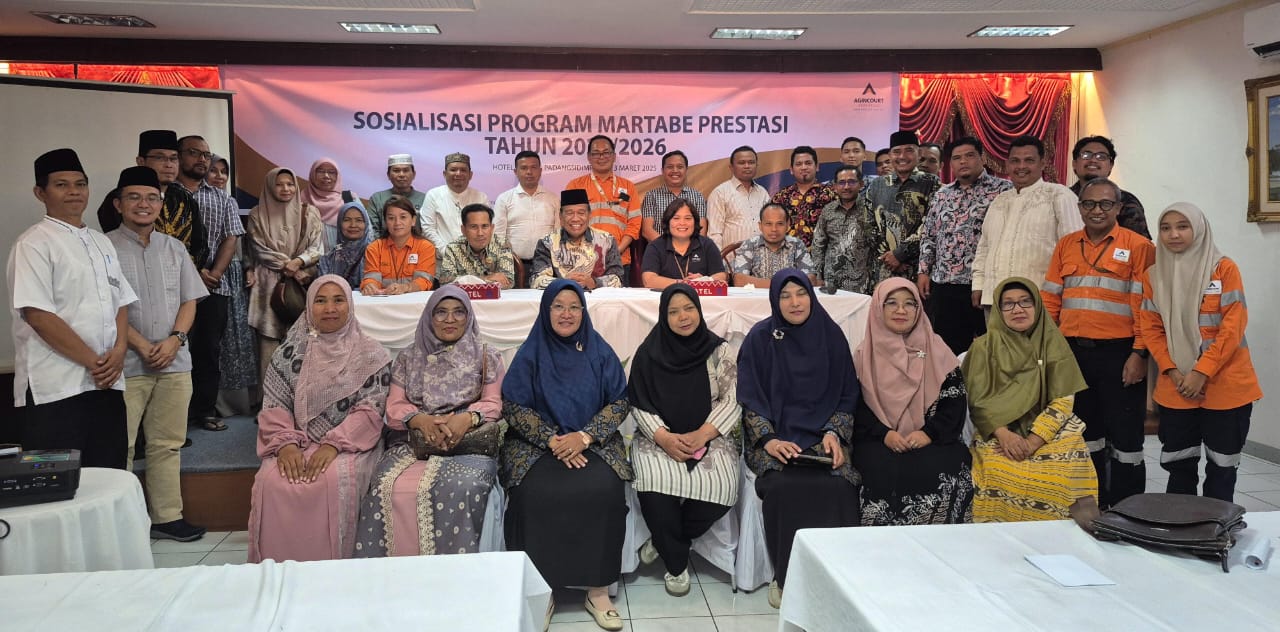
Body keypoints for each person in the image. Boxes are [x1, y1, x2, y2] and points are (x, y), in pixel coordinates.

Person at [500, 279, 632, 630]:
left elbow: (619, 402)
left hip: (592, 443)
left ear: (583, 312)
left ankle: (598, 589)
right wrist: (553, 439)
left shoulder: (598, 351)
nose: (567, 313)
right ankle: (542, 592)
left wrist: (585, 437)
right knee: (534, 494)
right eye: (558, 306)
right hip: (535, 445)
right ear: (546, 311)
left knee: (603, 489)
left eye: (574, 306)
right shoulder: (531, 353)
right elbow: (513, 406)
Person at [738, 269, 860, 608]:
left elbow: (848, 393)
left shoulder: (831, 336)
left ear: (811, 294)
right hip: (777, 442)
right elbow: (749, 397)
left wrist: (835, 433)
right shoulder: (760, 339)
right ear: (775, 300)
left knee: (840, 486)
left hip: (824, 441)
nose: (794, 302)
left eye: (801, 293)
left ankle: (838, 576)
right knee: (784, 487)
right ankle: (786, 577)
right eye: (785, 295)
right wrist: (769, 440)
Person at [248, 276, 391, 562]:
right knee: (273, 479)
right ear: (309, 307)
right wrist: (286, 445)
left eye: (338, 300)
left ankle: (335, 570)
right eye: (320, 301)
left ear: (349, 305)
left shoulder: (371, 354)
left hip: (351, 444)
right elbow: (275, 404)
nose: (330, 308)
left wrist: (333, 444)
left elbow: (371, 410)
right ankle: (279, 571)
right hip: (295, 442)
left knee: (334, 478)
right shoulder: (288, 353)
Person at [9, 148, 136, 469]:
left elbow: (120, 300)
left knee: (110, 473)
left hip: (106, 382)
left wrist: (120, 350)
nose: (74, 192)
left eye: (80, 184)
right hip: (56, 387)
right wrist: (94, 363)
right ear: (41, 193)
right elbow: (38, 315)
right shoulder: (33, 243)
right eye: (61, 185)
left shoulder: (100, 241)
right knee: (60, 487)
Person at [355, 286, 505, 557]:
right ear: (429, 317)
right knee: (385, 486)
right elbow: (394, 405)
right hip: (414, 443)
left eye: (459, 312)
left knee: (468, 486)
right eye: (441, 312)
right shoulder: (408, 357)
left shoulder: (487, 356)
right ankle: (396, 578)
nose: (450, 320)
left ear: (468, 317)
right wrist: (419, 419)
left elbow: (494, 402)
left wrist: (466, 418)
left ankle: (461, 576)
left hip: (467, 443)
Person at [108, 166, 209, 541]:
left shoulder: (175, 247)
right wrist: (139, 343)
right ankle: (122, 524)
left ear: (161, 204)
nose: (143, 204)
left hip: (174, 361)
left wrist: (174, 341)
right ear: (118, 204)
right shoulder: (104, 248)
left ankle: (167, 517)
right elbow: (107, 307)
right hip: (127, 364)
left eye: (151, 198)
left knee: (168, 443)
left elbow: (190, 300)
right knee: (124, 446)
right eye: (134, 197)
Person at [1042, 178, 1154, 508]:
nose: (1096, 210)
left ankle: (1128, 508)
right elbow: (1050, 299)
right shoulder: (1066, 244)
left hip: (1121, 354)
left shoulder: (1139, 247)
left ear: (1119, 208)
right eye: (1089, 204)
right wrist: (1050, 348)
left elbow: (1147, 308)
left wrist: (1139, 353)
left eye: (1106, 204)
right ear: (1079, 208)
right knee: (1084, 432)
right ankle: (1091, 504)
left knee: (1126, 437)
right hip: (1073, 352)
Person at [1138, 203, 1262, 502]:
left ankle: (1215, 531)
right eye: (1166, 228)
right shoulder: (1153, 276)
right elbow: (1151, 329)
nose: (1174, 234)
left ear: (1199, 229)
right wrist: (1172, 370)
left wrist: (1200, 371)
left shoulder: (1223, 268)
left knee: (1222, 467)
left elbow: (1232, 327)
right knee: (1179, 465)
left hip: (1225, 385)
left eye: (1183, 226)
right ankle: (1180, 530)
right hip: (1177, 386)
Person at [628, 284, 741, 596]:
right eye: (673, 311)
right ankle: (676, 564)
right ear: (664, 317)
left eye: (688, 308)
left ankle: (665, 540)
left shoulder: (719, 350)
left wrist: (703, 434)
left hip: (709, 434)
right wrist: (663, 438)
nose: (683, 317)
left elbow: (732, 399)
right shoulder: (649, 353)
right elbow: (638, 402)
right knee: (653, 488)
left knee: (722, 490)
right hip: (659, 436)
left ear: (699, 310)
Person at [963, 277, 1097, 523]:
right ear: (998, 310)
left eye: (1026, 302)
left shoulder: (1053, 344)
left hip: (1049, 431)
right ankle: (1000, 544)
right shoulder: (983, 347)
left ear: (1037, 306)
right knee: (997, 471)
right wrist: (1004, 435)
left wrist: (1035, 440)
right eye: (1009, 304)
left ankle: (1060, 543)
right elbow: (978, 400)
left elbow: (1063, 399)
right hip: (998, 431)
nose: (1018, 309)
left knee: (1061, 473)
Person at [852, 278, 973, 526]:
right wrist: (884, 434)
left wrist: (928, 433)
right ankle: (880, 550)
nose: (901, 311)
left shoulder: (938, 350)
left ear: (920, 309)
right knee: (879, 469)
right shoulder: (863, 356)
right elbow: (856, 407)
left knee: (946, 464)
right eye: (892, 303)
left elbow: (954, 403)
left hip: (932, 438)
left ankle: (939, 548)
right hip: (879, 439)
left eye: (910, 304)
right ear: (878, 308)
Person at [918, 137, 1012, 354]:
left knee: (991, 349)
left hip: (984, 284)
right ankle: (953, 388)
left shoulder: (1003, 191)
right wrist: (924, 271)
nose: (963, 162)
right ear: (950, 164)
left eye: (969, 155)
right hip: (945, 284)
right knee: (947, 350)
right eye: (957, 158)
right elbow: (929, 235)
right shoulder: (942, 194)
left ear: (982, 158)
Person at [177, 135, 245, 433]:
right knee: (177, 350)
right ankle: (176, 415)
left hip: (214, 287)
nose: (202, 160)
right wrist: (196, 270)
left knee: (208, 351)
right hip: (175, 289)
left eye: (206, 154)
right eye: (194, 153)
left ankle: (204, 411)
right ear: (179, 157)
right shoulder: (163, 194)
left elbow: (231, 237)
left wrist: (214, 272)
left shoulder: (221, 198)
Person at [970, 135, 1083, 309]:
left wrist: (1066, 295)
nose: (1021, 166)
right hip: (994, 298)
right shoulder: (999, 201)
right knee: (995, 338)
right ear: (1007, 165)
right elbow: (984, 247)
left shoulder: (1059, 195)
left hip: (1038, 300)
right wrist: (978, 284)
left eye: (1029, 160)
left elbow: (1074, 248)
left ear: (1043, 163)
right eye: (1015, 161)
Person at [245, 167, 324, 382]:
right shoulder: (257, 214)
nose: (285, 188)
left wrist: (299, 262)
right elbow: (260, 249)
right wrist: (289, 266)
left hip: (300, 286)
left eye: (290, 184)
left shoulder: (309, 212)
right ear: (270, 186)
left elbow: (317, 247)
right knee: (268, 344)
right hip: (268, 283)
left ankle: (300, 402)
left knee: (303, 342)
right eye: (279, 184)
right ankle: (269, 406)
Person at [100, 130, 209, 268]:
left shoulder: (185, 198)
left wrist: (185, 271)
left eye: (173, 158)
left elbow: (200, 244)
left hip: (181, 277)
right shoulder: (119, 199)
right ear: (141, 161)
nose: (168, 164)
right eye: (160, 158)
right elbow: (118, 242)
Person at [855, 130, 941, 290]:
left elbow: (931, 226)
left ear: (918, 153)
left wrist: (900, 255)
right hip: (883, 269)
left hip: (920, 270)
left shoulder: (931, 183)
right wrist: (889, 257)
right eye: (896, 152)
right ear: (890, 154)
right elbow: (867, 225)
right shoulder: (876, 185)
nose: (902, 156)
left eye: (909, 150)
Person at [207, 155, 259, 410]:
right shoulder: (194, 202)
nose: (218, 176)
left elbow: (241, 243)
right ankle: (218, 404)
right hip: (211, 276)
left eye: (223, 172)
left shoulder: (229, 202)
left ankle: (241, 402)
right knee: (220, 341)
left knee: (239, 338)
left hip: (235, 276)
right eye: (212, 171)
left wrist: (248, 268)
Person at [567, 136, 643, 277]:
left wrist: (617, 250)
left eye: (606, 152)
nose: (601, 157)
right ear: (589, 157)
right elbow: (569, 221)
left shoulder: (628, 187)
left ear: (614, 156)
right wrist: (587, 252)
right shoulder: (575, 185)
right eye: (596, 153)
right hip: (583, 259)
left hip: (618, 259)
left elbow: (634, 223)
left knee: (617, 299)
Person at [530, 189, 624, 290]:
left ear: (589, 215)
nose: (575, 218)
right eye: (569, 213)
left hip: (597, 302)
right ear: (560, 217)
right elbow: (536, 280)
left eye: (581, 213)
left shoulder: (606, 240)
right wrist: (564, 282)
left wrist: (594, 282)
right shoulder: (547, 243)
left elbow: (618, 279)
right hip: (560, 301)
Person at [493, 151, 558, 285]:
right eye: (524, 168)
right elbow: (498, 236)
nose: (529, 172)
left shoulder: (553, 198)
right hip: (514, 266)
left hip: (547, 266)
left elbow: (558, 233)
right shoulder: (504, 199)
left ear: (540, 171)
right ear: (515, 172)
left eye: (533, 167)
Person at [1069, 136, 1149, 238]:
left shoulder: (1126, 200)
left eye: (1101, 156)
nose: (1093, 160)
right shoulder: (1062, 197)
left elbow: (1139, 245)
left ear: (1111, 165)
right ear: (1074, 163)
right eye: (1086, 155)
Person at [640, 199, 726, 289]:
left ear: (695, 222)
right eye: (676, 218)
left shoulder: (707, 245)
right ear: (668, 222)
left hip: (702, 300)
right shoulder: (655, 246)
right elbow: (648, 280)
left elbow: (721, 276)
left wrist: (705, 280)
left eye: (688, 218)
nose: (682, 223)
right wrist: (683, 283)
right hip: (665, 299)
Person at [360, 196, 437, 295]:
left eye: (403, 217)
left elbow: (425, 281)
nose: (397, 223)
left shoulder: (426, 247)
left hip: (414, 303)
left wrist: (406, 287)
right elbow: (371, 278)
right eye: (391, 218)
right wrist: (370, 285)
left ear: (413, 220)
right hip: (382, 302)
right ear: (385, 222)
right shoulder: (374, 248)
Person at [423, 152, 490, 261]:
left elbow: (486, 230)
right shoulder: (433, 195)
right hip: (442, 260)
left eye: (463, 170)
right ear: (445, 174)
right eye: (453, 170)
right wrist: (447, 252)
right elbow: (428, 229)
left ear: (470, 174)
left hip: (475, 260)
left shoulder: (481, 197)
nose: (458, 174)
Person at [731, 202, 816, 287]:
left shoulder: (797, 245)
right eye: (768, 224)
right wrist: (781, 285)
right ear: (760, 226)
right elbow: (739, 280)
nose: (774, 229)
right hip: (757, 299)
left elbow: (810, 279)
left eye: (780, 224)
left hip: (787, 298)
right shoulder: (749, 246)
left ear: (787, 225)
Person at [812, 165, 867, 292]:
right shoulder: (828, 210)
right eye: (841, 182)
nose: (846, 187)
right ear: (835, 186)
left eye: (851, 182)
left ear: (861, 184)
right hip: (831, 282)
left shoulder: (870, 209)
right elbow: (818, 245)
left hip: (862, 284)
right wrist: (818, 276)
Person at [437, 203, 517, 288]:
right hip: (465, 298)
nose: (480, 233)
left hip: (495, 299)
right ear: (463, 230)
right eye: (473, 227)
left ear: (492, 228)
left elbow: (508, 281)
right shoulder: (453, 248)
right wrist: (486, 278)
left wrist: (465, 281)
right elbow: (445, 282)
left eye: (485, 226)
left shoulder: (502, 245)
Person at [707, 145, 770, 249]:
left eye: (751, 162)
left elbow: (770, 226)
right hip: (731, 261)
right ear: (731, 167)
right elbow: (714, 234)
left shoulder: (762, 192)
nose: (747, 166)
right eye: (742, 163)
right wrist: (718, 261)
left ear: (756, 166)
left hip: (761, 259)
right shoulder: (720, 193)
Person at [770, 146, 835, 248]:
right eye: (799, 164)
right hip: (787, 258)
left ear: (817, 166)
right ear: (791, 169)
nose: (804, 167)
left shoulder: (831, 195)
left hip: (821, 259)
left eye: (808, 163)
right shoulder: (781, 197)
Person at [640, 150, 709, 241]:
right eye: (670, 167)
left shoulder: (697, 196)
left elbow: (701, 230)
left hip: (691, 252)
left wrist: (687, 250)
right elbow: (647, 230)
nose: (675, 170)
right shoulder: (651, 196)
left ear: (686, 170)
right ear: (662, 171)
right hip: (660, 252)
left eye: (680, 167)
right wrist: (668, 248)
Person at [301, 158, 367, 250]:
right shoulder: (301, 199)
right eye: (320, 171)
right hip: (307, 261)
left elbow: (367, 232)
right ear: (312, 174)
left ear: (338, 176)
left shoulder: (349, 198)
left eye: (332, 172)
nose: (326, 176)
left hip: (344, 260)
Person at [367, 154, 425, 236]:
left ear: (414, 174)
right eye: (396, 170)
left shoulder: (425, 199)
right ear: (388, 175)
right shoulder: (377, 199)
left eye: (405, 170)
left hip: (419, 247)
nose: (401, 175)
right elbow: (372, 231)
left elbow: (427, 230)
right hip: (383, 247)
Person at [318, 201, 372, 289]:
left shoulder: (375, 254)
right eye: (347, 220)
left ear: (366, 224)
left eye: (359, 220)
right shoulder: (328, 259)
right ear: (339, 223)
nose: (353, 225)